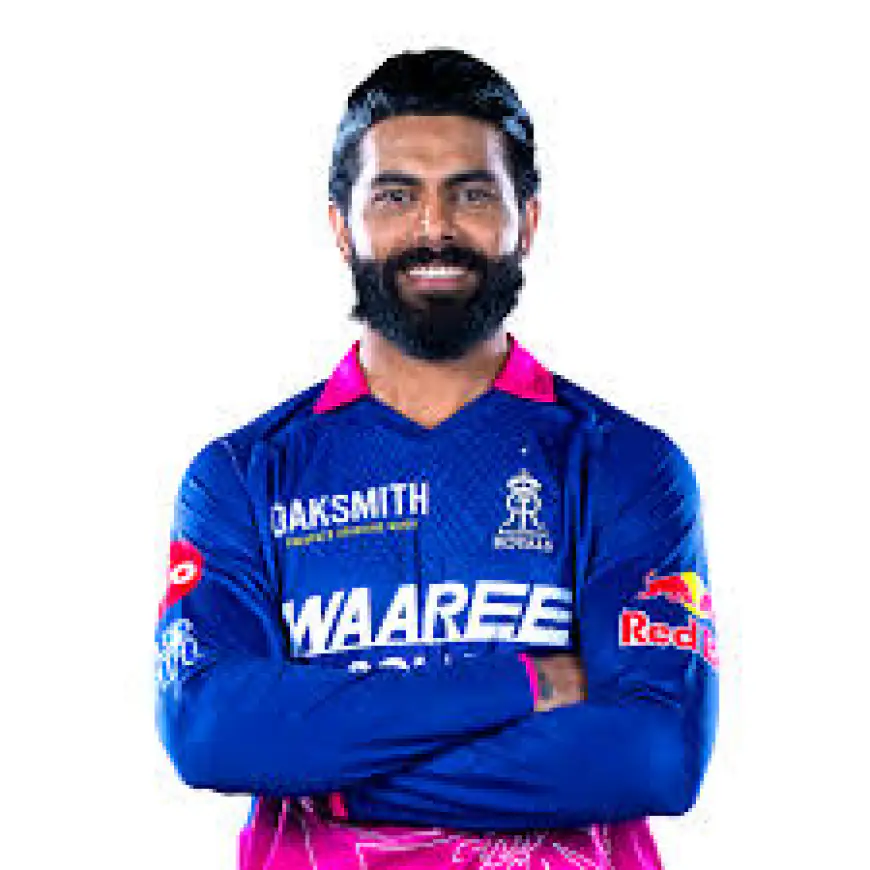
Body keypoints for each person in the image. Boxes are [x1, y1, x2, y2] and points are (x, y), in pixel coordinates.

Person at [155, 47, 718, 870]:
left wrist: (332, 776)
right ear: (341, 226)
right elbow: (212, 731)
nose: (435, 228)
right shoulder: (242, 476)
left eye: (472, 193)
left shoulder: (625, 463)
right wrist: (528, 683)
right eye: (396, 195)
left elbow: (653, 756)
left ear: (527, 220)